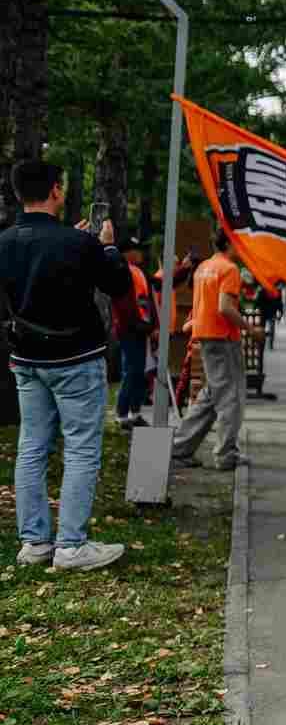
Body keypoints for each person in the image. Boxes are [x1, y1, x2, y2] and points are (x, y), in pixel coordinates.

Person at [1, 159, 131, 571]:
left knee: (31, 448)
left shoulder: (4, 241)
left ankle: (35, 542)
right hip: (76, 358)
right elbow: (118, 285)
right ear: (56, 190)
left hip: (26, 358)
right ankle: (71, 546)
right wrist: (107, 245)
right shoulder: (80, 244)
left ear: (19, 193)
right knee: (80, 449)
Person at [170, 228, 248, 474]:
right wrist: (250, 329)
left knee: (210, 397)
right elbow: (225, 308)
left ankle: (180, 448)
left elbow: (202, 304)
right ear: (231, 244)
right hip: (223, 339)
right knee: (230, 398)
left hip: (205, 337)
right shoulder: (230, 270)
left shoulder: (204, 267)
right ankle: (226, 455)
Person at [110, 237, 157, 427]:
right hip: (129, 328)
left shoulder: (139, 271)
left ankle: (135, 412)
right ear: (127, 252)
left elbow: (157, 284)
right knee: (131, 370)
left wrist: (182, 269)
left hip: (141, 327)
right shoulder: (122, 271)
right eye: (136, 250)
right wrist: (136, 324)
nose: (140, 253)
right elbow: (123, 304)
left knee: (140, 371)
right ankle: (121, 414)